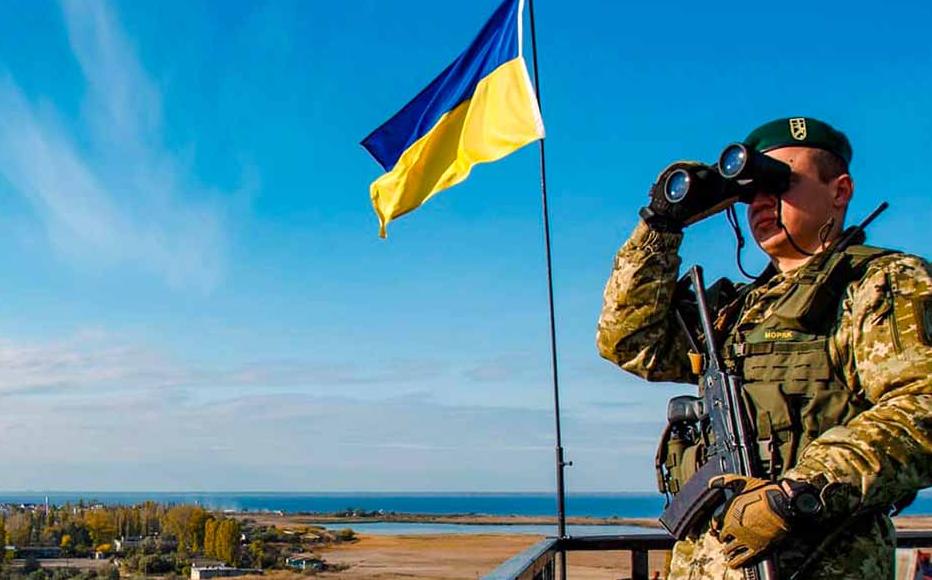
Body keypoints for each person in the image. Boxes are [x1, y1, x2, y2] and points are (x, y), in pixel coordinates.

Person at [596, 117, 932, 579]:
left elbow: (922, 405)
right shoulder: (739, 310)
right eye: (752, 190)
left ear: (840, 191)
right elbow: (629, 340)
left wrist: (797, 492)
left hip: (815, 563)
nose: (763, 202)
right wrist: (661, 225)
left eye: (783, 182)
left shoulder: (882, 284)